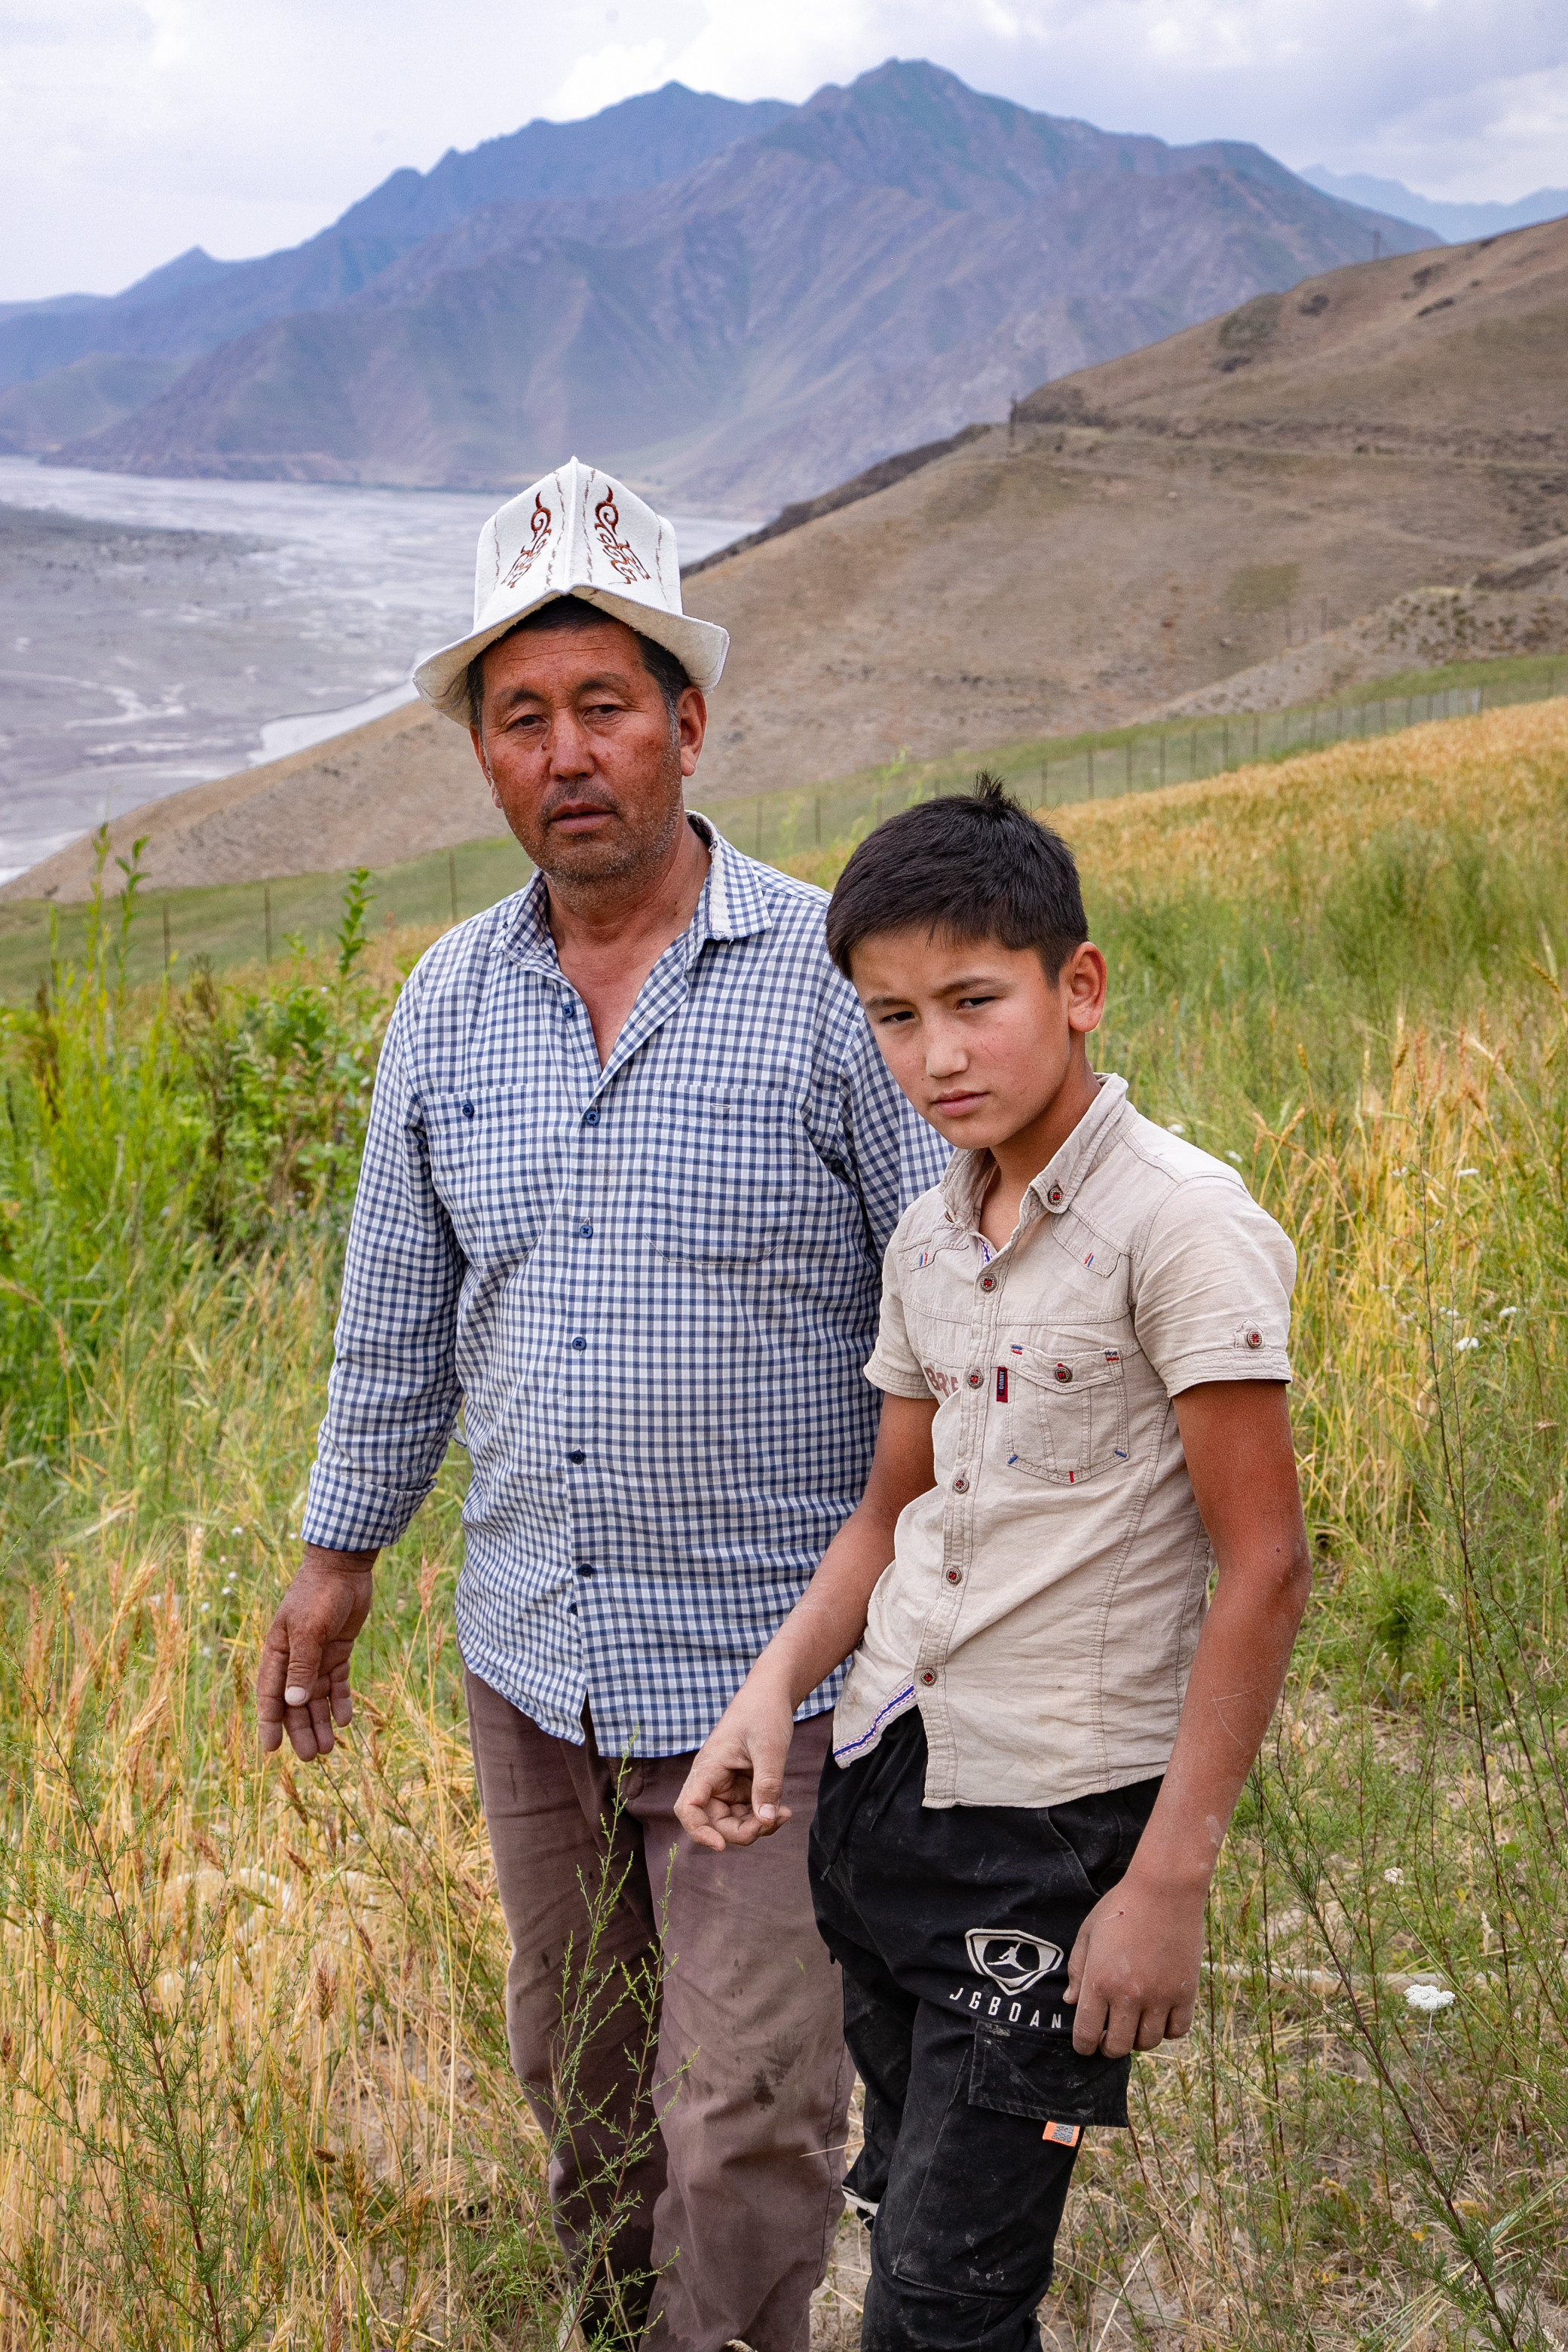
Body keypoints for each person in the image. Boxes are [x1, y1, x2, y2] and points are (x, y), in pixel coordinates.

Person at [255, 459, 946, 2352]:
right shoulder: (446, 1003)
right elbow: (395, 1318)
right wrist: (336, 1558)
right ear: (482, 756)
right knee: (582, 2079)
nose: (567, 754)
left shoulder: (832, 986)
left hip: (773, 1680)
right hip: (532, 1657)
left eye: (605, 707)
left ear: (686, 726)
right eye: (520, 717)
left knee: (747, 2111)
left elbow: (953, 1319)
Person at [676, 779, 1312, 2352]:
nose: (935, 1056)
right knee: (907, 2217)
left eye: (973, 1002)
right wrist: (772, 1694)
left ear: (1075, 986)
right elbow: (891, 1511)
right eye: (892, 1018)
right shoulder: (926, 1236)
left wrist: (1165, 1880)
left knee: (939, 2308)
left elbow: (1265, 1565)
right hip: (889, 1789)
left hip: (1054, 1830)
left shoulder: (1181, 1225)